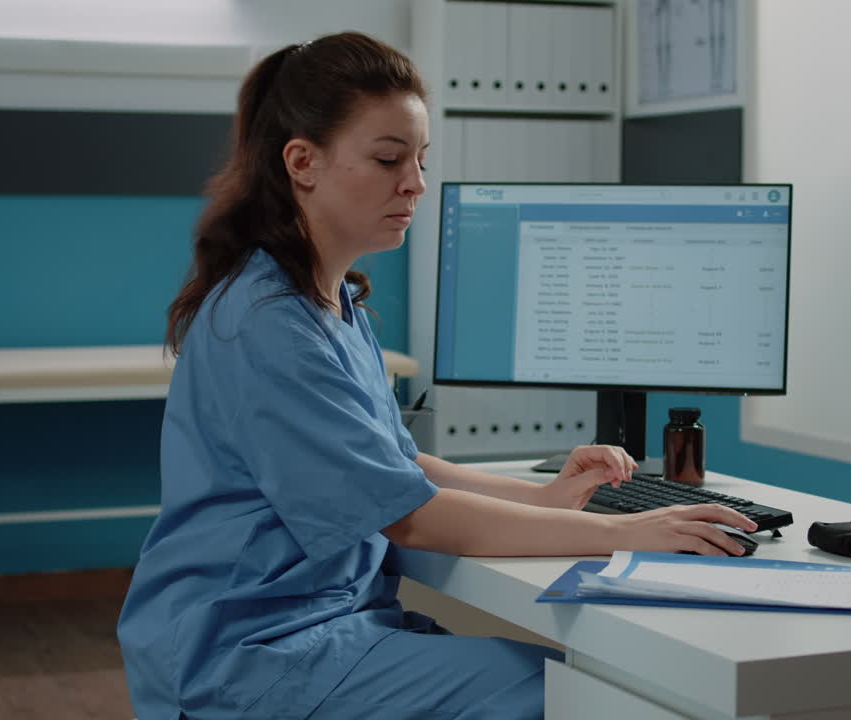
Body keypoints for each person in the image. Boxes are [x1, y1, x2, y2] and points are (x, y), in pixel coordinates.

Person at [116, 31, 757, 720]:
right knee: (573, 695)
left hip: (323, 623)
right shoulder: (269, 324)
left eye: (421, 160)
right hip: (251, 651)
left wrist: (544, 499)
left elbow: (397, 466)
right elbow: (412, 517)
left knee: (578, 682)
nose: (416, 184)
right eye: (389, 159)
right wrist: (628, 534)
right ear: (302, 162)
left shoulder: (332, 302)